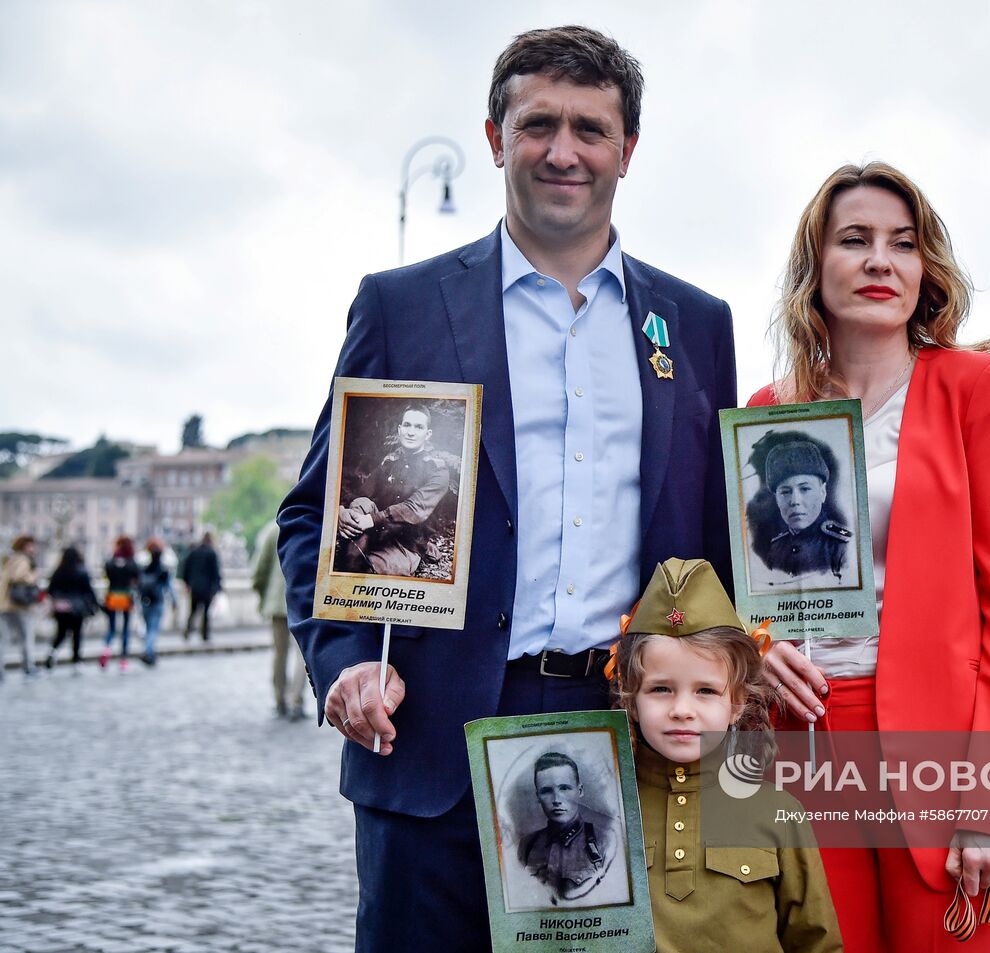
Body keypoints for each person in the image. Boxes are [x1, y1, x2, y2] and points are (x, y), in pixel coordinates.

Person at [276, 26, 736, 951]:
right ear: (495, 139)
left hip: (624, 735)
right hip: (431, 736)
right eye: (538, 125)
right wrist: (346, 660)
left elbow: (719, 543)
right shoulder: (402, 306)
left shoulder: (694, 324)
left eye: (590, 129)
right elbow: (315, 516)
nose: (564, 152)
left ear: (627, 150)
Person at [753, 162, 990, 952]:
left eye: (904, 243)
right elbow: (751, 588)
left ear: (926, 269)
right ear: (817, 265)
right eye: (855, 240)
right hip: (805, 736)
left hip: (945, 746)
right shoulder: (769, 412)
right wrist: (757, 643)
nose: (881, 260)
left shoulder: (976, 388)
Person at [608, 557, 842, 952]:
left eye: (705, 691)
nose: (682, 709)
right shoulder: (604, 814)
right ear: (631, 697)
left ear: (737, 702)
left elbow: (816, 943)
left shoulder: (779, 813)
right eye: (661, 689)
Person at [335, 405, 455, 577]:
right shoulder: (390, 462)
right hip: (377, 531)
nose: (411, 432)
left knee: (367, 571)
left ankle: (355, 558)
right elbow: (361, 494)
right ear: (399, 430)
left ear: (427, 434)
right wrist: (341, 511)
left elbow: (414, 509)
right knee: (361, 504)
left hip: (407, 543)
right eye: (407, 425)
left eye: (418, 427)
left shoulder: (437, 470)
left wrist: (370, 519)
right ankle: (352, 556)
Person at [745, 432, 852, 585]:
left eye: (805, 489)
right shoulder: (775, 548)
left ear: (822, 492)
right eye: (785, 492)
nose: (795, 501)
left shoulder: (843, 546)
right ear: (777, 498)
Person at [515, 751, 621, 903]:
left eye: (564, 788)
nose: (556, 799)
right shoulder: (527, 845)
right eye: (546, 791)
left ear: (580, 791)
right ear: (538, 796)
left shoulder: (605, 841)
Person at [253, 519, 305, 720]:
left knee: (279, 653)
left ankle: (279, 699)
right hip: (303, 603)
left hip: (277, 602)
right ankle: (296, 700)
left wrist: (262, 597)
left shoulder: (272, 530)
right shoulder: (311, 524)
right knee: (302, 655)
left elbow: (259, 570)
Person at [45, 546, 98, 670]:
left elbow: (50, 590)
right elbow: (88, 590)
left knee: (61, 632)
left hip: (61, 608)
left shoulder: (58, 572)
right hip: (76, 608)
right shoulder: (81, 572)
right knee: (77, 634)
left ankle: (52, 652)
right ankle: (76, 660)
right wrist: (94, 604)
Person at [0, 535, 41, 681]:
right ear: (24, 546)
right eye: (31, 545)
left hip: (5, 604)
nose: (33, 548)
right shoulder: (22, 559)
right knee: (26, 638)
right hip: (20, 605)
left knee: (3, 639)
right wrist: (34, 576)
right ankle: (28, 667)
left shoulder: (9, 559)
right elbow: (18, 577)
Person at [100, 536, 140, 672]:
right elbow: (137, 578)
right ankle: (123, 659)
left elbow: (107, 574)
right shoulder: (131, 562)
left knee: (111, 627)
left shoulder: (111, 561)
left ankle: (106, 650)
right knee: (125, 629)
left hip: (112, 596)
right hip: (126, 598)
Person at [138, 537, 174, 666]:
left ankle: (149, 652)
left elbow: (138, 585)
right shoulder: (163, 569)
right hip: (157, 601)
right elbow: (169, 587)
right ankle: (149, 652)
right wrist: (174, 601)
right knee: (153, 629)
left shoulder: (144, 567)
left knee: (148, 628)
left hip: (145, 601)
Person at [181, 532, 222, 643]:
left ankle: (188, 631)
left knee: (193, 611)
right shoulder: (211, 553)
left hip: (194, 586)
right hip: (207, 588)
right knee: (206, 613)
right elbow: (215, 572)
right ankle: (204, 634)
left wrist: (187, 583)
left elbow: (186, 569)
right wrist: (218, 587)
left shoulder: (194, 552)